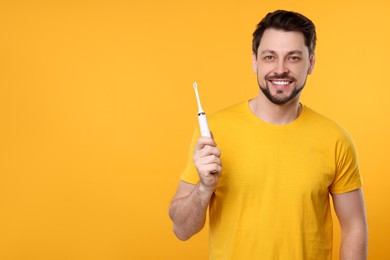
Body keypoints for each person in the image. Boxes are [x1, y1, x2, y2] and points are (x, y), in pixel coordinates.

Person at [169, 10, 368, 260]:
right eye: (269, 57)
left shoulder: (336, 139)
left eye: (293, 58)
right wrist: (203, 188)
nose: (280, 69)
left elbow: (354, 227)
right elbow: (182, 230)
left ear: (312, 63)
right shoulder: (212, 132)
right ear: (255, 61)